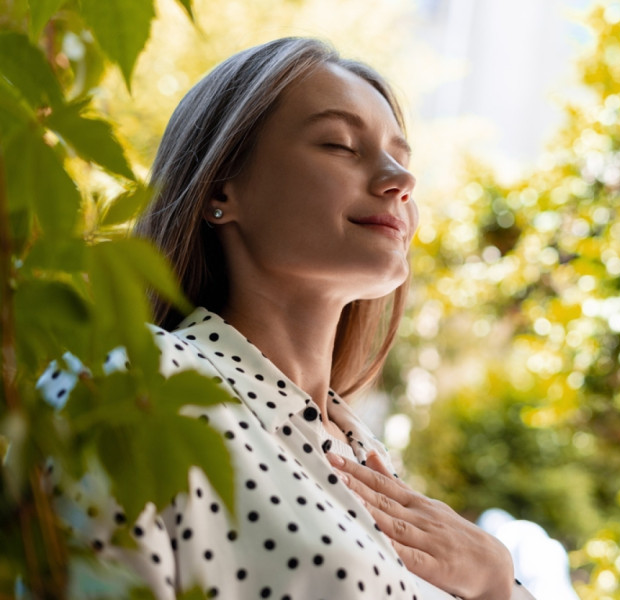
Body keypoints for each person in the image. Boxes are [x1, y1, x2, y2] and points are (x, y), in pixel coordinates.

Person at [41, 38, 538, 600]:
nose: (400, 179)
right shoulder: (128, 381)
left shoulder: (367, 455)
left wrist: (499, 582)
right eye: (341, 144)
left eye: (402, 157)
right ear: (221, 190)